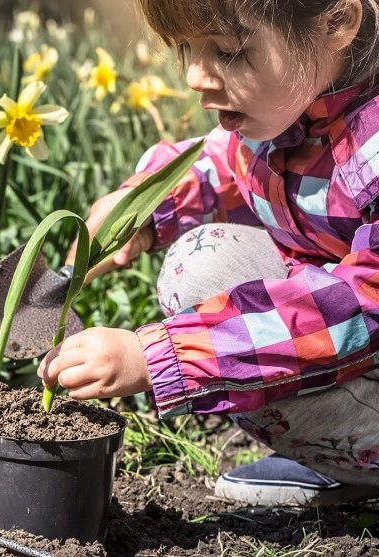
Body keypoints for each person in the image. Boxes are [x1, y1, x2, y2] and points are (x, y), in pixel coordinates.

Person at [37, 0, 379, 506]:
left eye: (229, 51)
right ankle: (338, 451)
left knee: (210, 297)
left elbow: (364, 305)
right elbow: (226, 159)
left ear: (337, 24)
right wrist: (145, 209)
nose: (196, 76)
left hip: (361, 330)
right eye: (185, 49)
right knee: (200, 262)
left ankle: (352, 454)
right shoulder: (297, 100)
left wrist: (161, 355)